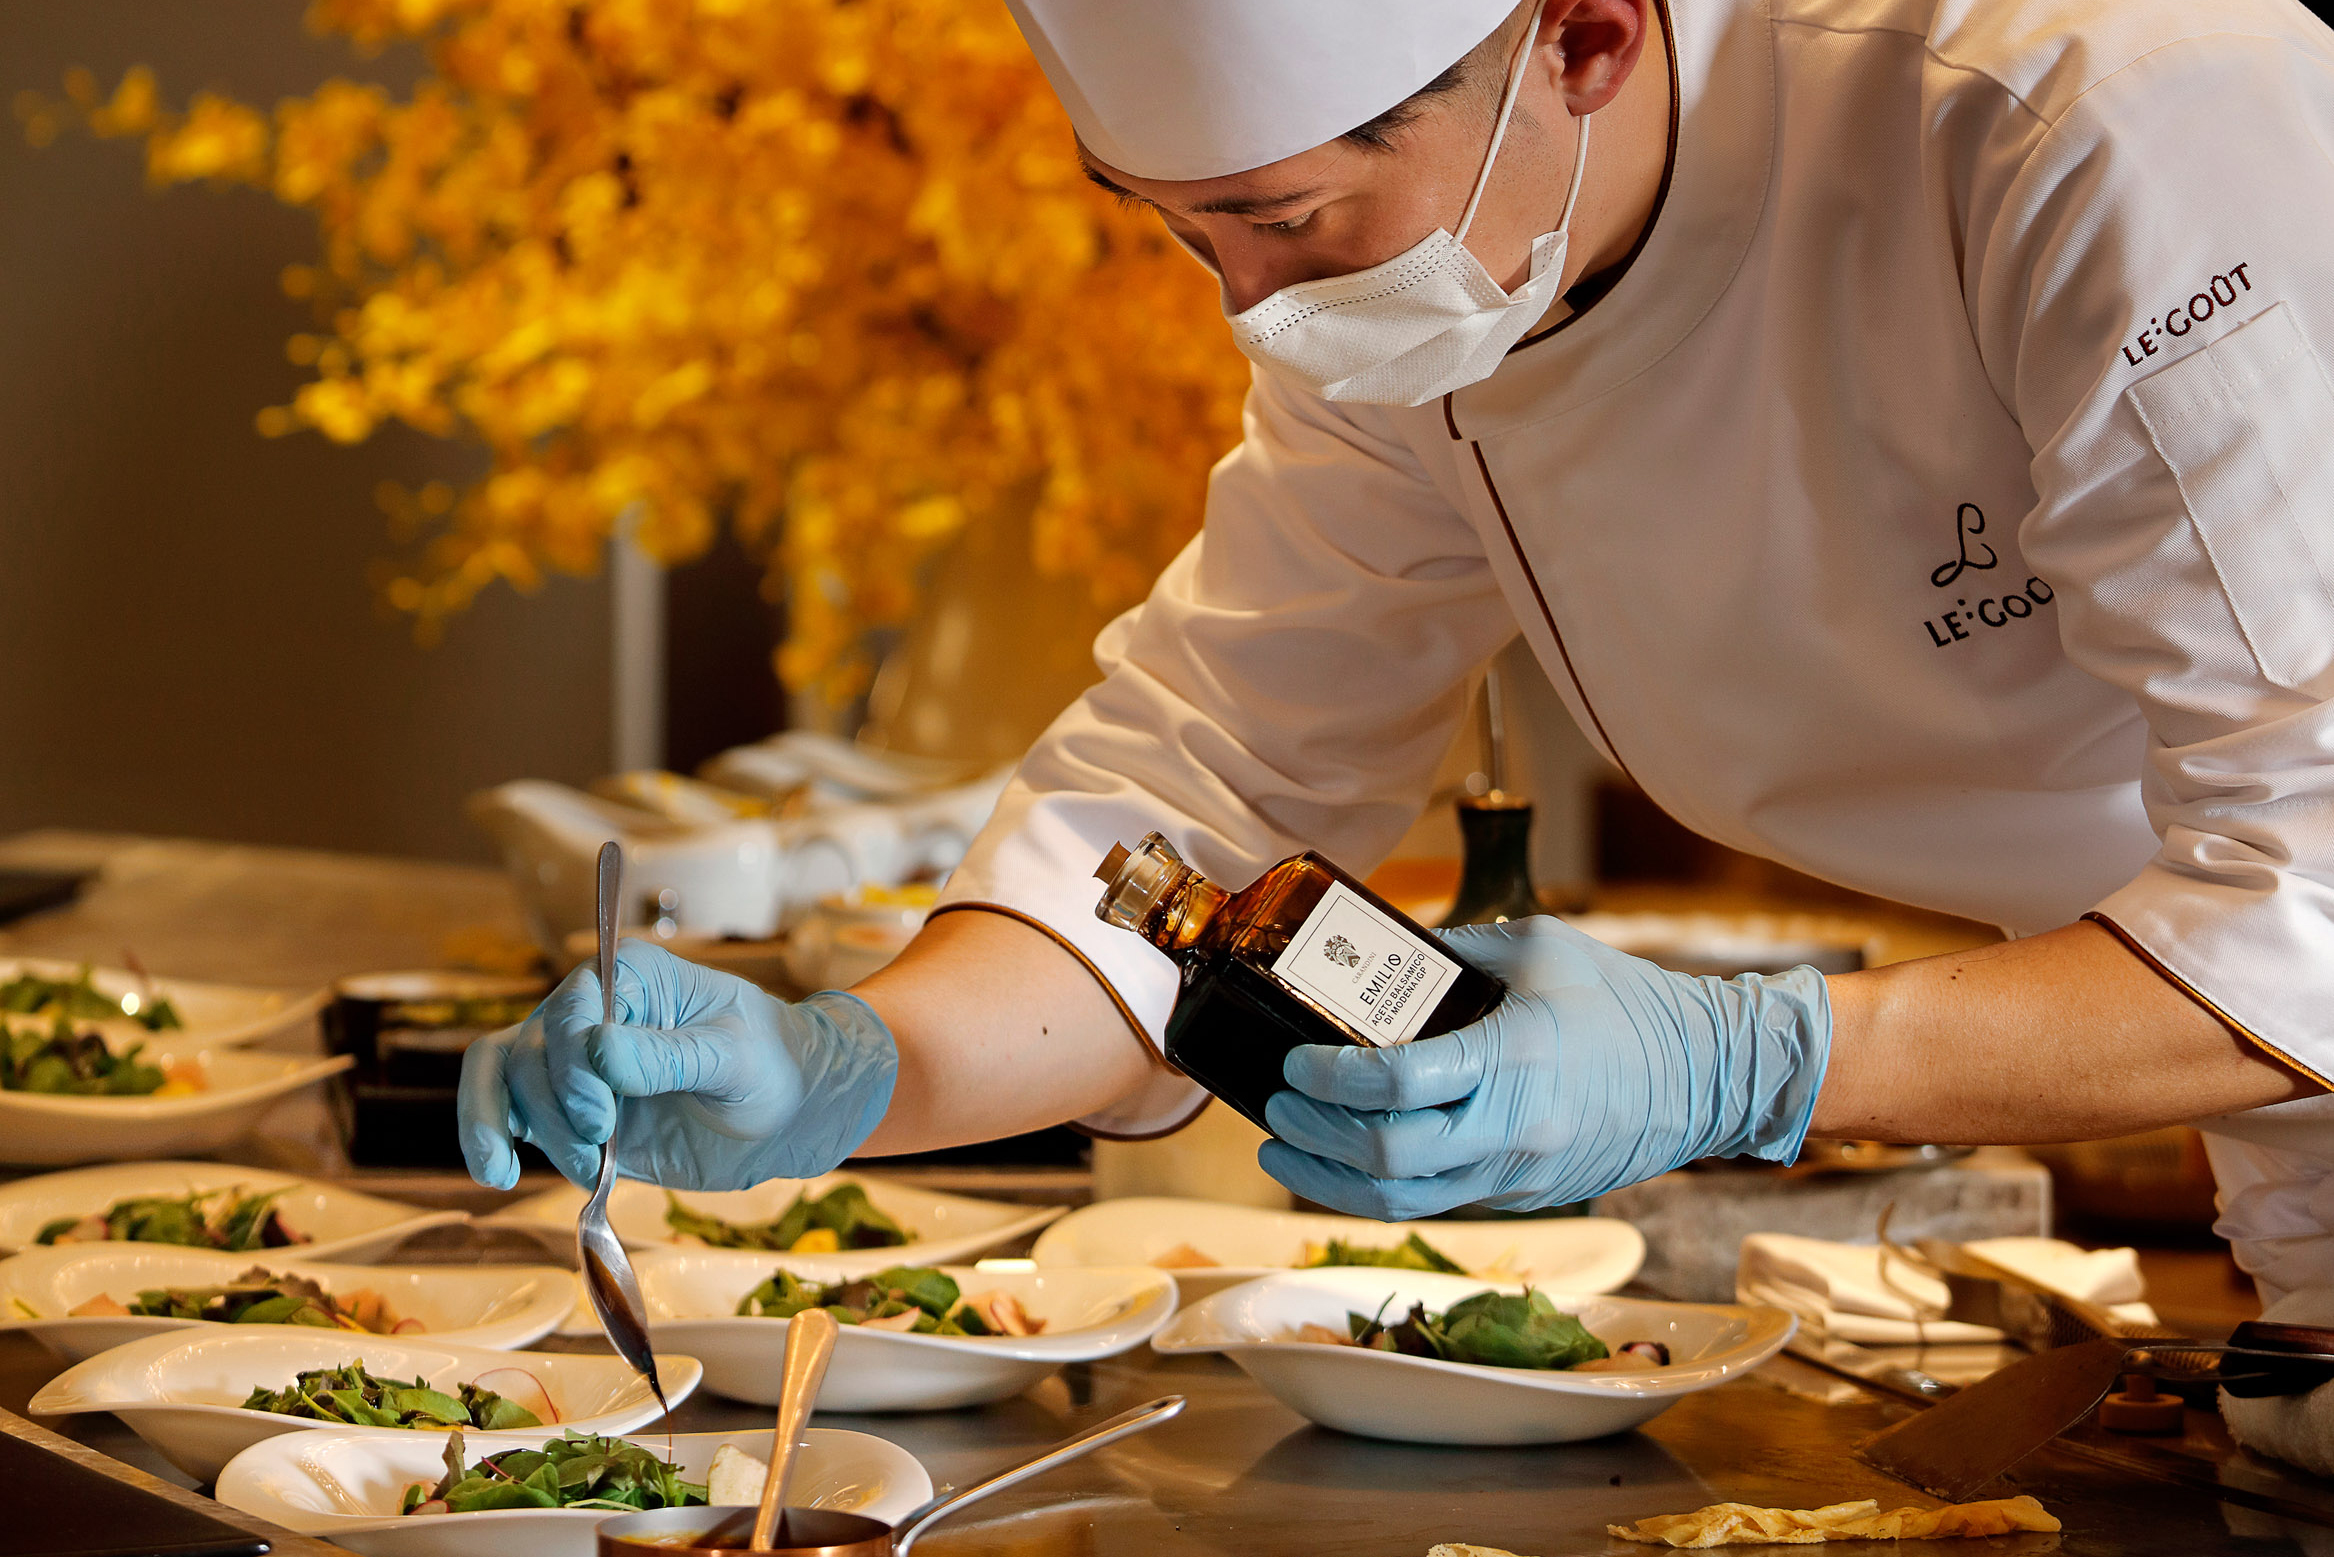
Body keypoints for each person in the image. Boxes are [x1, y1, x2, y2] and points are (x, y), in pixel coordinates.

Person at [463, 0, 2334, 1304]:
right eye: (1184, 235)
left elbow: (2316, 891)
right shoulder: (1423, 301)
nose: (1247, 311)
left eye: (1278, 221)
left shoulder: (2093, 109)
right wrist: (855, 1065)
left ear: (1582, 36)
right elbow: (1195, 795)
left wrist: (1745, 1062)